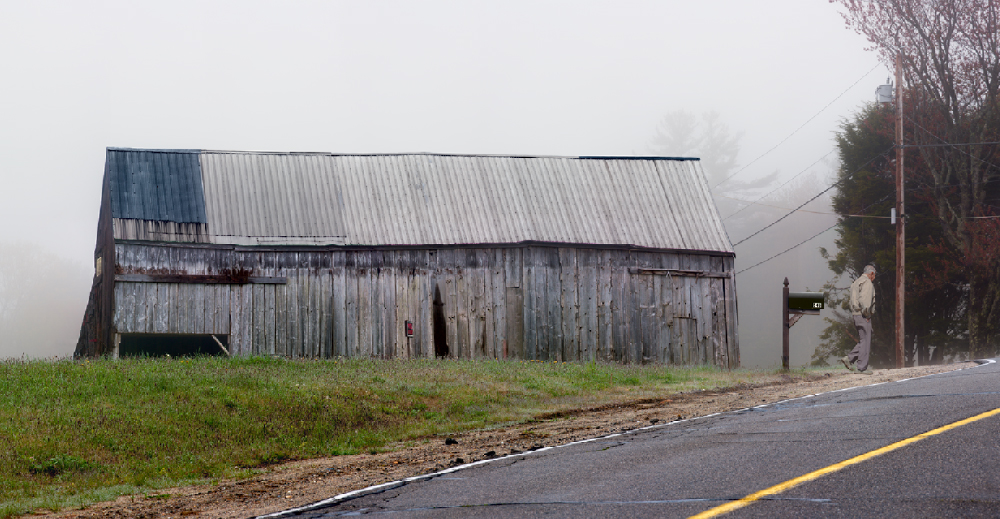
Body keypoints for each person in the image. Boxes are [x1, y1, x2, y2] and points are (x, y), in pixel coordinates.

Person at [842, 264, 876, 374]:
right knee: (866, 341)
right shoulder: (867, 283)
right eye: (874, 275)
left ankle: (849, 358)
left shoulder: (855, 283)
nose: (874, 277)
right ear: (871, 273)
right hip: (863, 314)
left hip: (855, 314)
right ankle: (861, 368)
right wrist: (867, 315)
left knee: (863, 340)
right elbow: (865, 301)